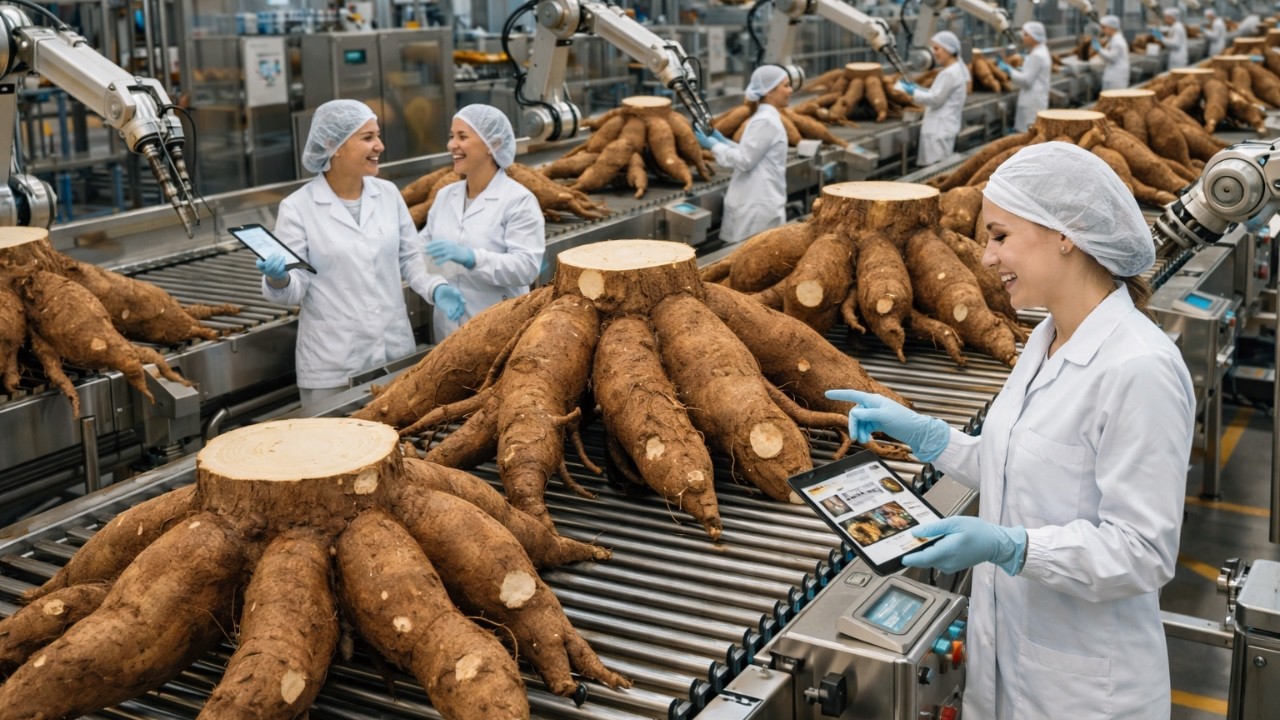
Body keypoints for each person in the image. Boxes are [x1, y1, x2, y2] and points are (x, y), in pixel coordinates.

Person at [827, 142, 1195, 719]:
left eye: (1000, 236)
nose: (987, 257)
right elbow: (1021, 466)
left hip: (1085, 692)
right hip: (1005, 667)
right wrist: (928, 436)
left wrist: (1013, 547)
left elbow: (1143, 551)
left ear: (1067, 233)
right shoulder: (1048, 336)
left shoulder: (1138, 368)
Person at [256, 99, 442, 413]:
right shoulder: (298, 207)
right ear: (334, 145)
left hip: (393, 354)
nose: (379, 145)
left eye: (378, 135)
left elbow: (411, 258)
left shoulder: (387, 194)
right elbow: (295, 287)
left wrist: (436, 287)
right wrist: (279, 277)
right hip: (334, 366)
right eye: (367, 137)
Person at [419, 104, 545, 342]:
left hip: (496, 334)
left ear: (493, 145)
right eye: (451, 136)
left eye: (462, 136)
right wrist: (436, 286)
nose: (451, 145)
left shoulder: (518, 201)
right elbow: (422, 252)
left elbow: (526, 268)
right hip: (447, 333)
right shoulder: (446, 196)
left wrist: (472, 258)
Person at [694, 65, 790, 244]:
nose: (790, 90)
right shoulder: (765, 120)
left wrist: (715, 144)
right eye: (785, 85)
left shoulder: (764, 120)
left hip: (757, 206)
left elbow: (746, 159)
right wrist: (722, 143)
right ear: (769, 91)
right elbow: (748, 156)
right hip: (756, 206)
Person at [899, 31, 969, 166]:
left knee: (935, 171)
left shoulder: (950, 73)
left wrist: (913, 92)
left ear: (948, 49)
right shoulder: (952, 70)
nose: (934, 53)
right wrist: (919, 89)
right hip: (941, 128)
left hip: (939, 131)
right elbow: (937, 94)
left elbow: (936, 99)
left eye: (937, 48)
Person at [997, 22, 1051, 132]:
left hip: (1032, 103)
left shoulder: (1037, 55)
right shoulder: (1040, 51)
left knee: (1028, 136)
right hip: (1035, 100)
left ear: (1034, 37)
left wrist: (1009, 70)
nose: (1023, 37)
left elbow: (1026, 80)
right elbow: (1032, 73)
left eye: (1026, 34)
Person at [1093, 15, 1131, 91]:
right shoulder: (1113, 39)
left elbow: (1111, 57)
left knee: (1114, 99)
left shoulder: (1117, 41)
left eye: (1104, 28)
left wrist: (1099, 49)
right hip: (1113, 74)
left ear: (1111, 28)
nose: (1102, 30)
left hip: (1116, 77)